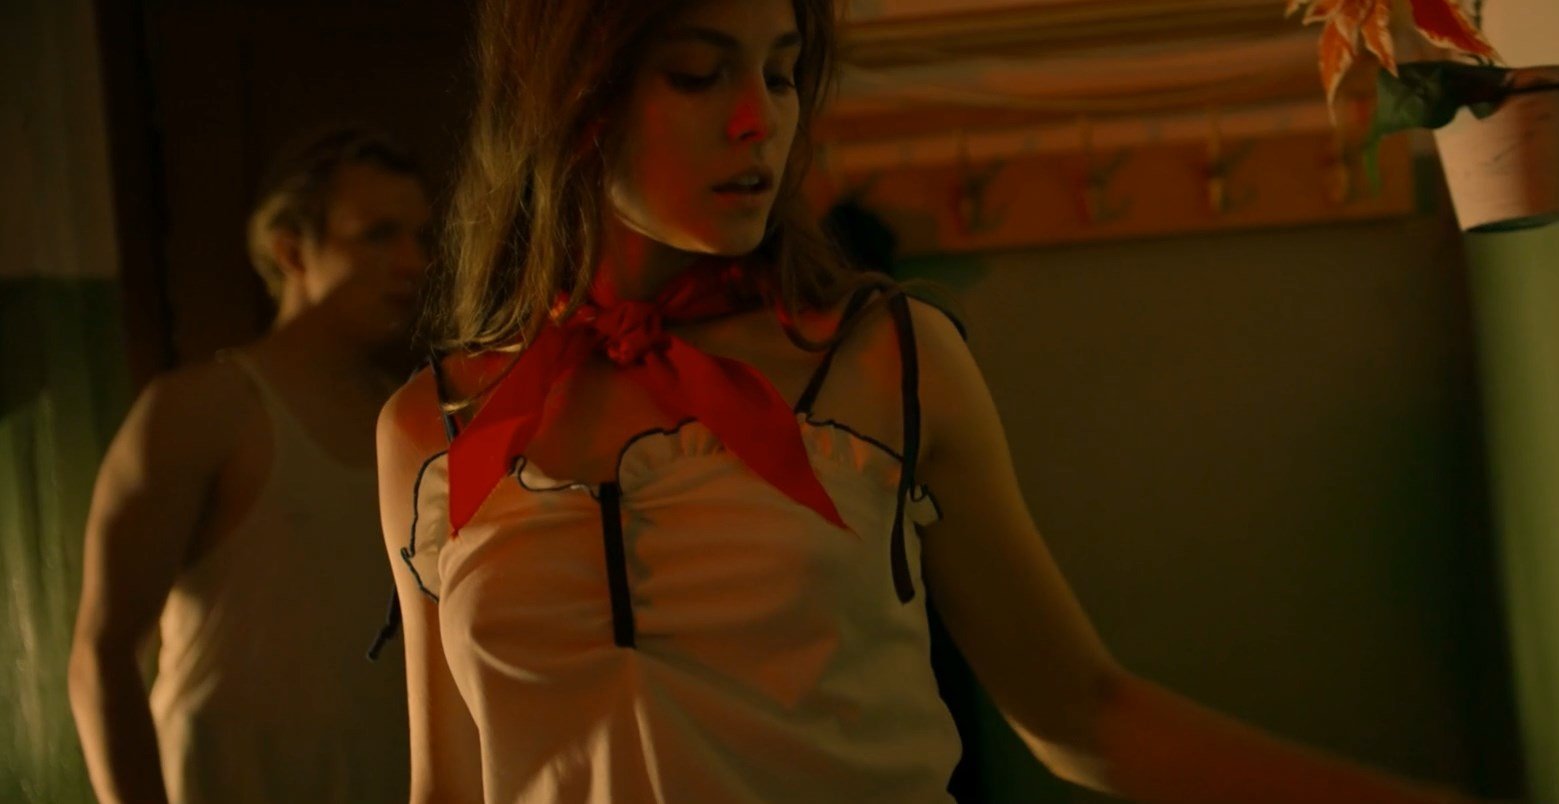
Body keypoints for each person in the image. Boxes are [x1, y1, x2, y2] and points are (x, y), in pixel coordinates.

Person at [377, 0, 1483, 801]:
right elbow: (450, 786)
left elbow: (1084, 713)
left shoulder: (884, 362)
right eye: (701, 75)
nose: (760, 121)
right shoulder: (433, 429)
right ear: (576, 101)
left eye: (782, 73)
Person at [69, 127, 429, 803]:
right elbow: (102, 655)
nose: (413, 261)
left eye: (420, 236)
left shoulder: (411, 420)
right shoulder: (202, 409)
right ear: (292, 251)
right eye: (378, 235)